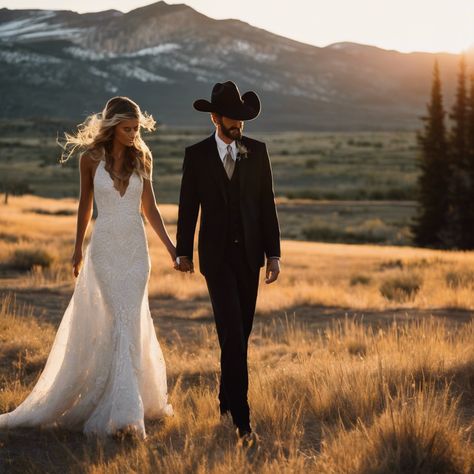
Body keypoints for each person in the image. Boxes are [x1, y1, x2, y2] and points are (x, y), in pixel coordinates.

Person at [0, 97, 174, 439]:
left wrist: (172, 248)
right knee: (116, 321)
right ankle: (122, 412)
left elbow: (150, 207)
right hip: (105, 248)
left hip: (137, 253)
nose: (133, 134)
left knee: (133, 319)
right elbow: (85, 206)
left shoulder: (143, 157)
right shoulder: (90, 159)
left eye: (136, 128)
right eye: (127, 128)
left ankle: (129, 403)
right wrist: (77, 248)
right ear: (111, 127)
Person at [175, 81, 281, 447]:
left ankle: (224, 401)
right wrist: (183, 251)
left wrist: (274, 254)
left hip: (249, 257)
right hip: (216, 259)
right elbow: (188, 205)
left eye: (242, 119)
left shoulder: (257, 151)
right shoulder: (197, 155)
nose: (238, 124)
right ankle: (242, 421)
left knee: (239, 337)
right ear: (215, 117)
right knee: (234, 336)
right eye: (232, 118)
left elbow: (266, 205)